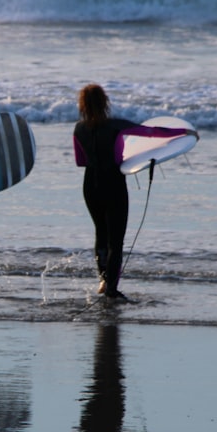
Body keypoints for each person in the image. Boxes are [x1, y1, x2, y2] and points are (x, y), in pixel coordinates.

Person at [73, 84, 196, 301]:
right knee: (116, 240)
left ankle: (104, 282)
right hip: (113, 183)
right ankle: (112, 289)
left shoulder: (78, 129)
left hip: (90, 184)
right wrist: (183, 133)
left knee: (101, 233)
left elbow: (81, 161)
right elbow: (150, 132)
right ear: (105, 102)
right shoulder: (115, 125)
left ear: (82, 105)